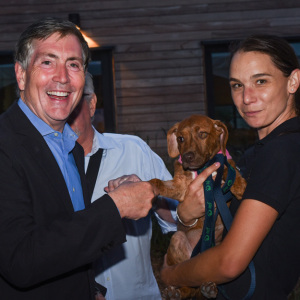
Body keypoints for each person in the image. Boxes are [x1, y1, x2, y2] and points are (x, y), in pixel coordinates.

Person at [0, 18, 158, 300]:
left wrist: (90, 288)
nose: (62, 77)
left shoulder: (69, 147)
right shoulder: (5, 144)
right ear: (21, 75)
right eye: (47, 62)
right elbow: (20, 260)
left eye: (73, 64)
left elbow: (64, 244)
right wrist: (116, 206)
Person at [160, 34, 300, 299]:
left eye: (261, 81)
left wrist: (170, 275)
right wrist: (185, 215)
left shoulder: (282, 151)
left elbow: (229, 263)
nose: (247, 98)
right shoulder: (252, 156)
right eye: (237, 85)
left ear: (293, 81)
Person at [68, 72, 177, 300]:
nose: (65, 109)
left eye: (74, 98)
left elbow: (180, 219)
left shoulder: (133, 150)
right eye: (57, 100)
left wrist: (151, 192)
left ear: (92, 104)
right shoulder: (42, 166)